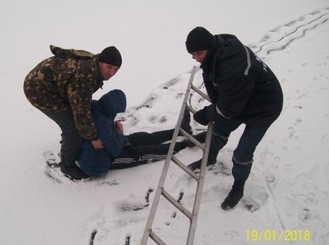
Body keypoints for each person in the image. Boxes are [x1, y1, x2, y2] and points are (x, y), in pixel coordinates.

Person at [185, 27, 283, 210]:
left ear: (209, 47)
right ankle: (211, 158)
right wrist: (215, 110)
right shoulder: (216, 52)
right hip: (242, 99)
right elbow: (224, 96)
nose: (196, 59)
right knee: (220, 128)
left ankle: (238, 187)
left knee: (242, 153)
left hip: (265, 107)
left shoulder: (233, 66)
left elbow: (227, 107)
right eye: (193, 55)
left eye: (198, 53)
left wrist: (207, 114)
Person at [23, 45, 122, 177]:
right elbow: (81, 112)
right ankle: (67, 166)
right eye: (109, 67)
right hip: (39, 91)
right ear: (100, 62)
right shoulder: (84, 78)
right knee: (73, 129)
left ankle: (69, 144)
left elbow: (81, 103)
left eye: (116, 69)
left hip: (56, 85)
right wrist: (94, 137)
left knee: (76, 117)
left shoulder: (93, 66)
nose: (111, 73)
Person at [65, 89, 206, 180]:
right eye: (115, 112)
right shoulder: (103, 124)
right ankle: (185, 144)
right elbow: (116, 150)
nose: (115, 115)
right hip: (100, 162)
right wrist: (119, 132)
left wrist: (117, 133)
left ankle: (179, 130)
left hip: (104, 146)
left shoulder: (97, 106)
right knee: (143, 152)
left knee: (141, 137)